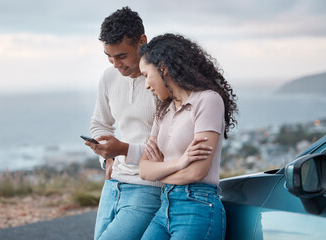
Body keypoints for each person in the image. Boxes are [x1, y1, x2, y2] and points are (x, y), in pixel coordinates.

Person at [84, 7, 212, 240]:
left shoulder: (164, 84)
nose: (115, 64)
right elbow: (100, 124)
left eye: (121, 56)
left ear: (142, 41)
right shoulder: (109, 77)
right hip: (113, 186)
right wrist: (108, 158)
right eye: (109, 57)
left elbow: (171, 147)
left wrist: (124, 149)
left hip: (148, 188)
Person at [138, 33, 238, 240]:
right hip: (165, 204)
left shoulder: (207, 100)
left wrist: (160, 171)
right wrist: (180, 162)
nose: (146, 84)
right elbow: (144, 170)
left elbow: (196, 173)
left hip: (197, 206)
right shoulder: (163, 111)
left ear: (163, 68)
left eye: (146, 75)